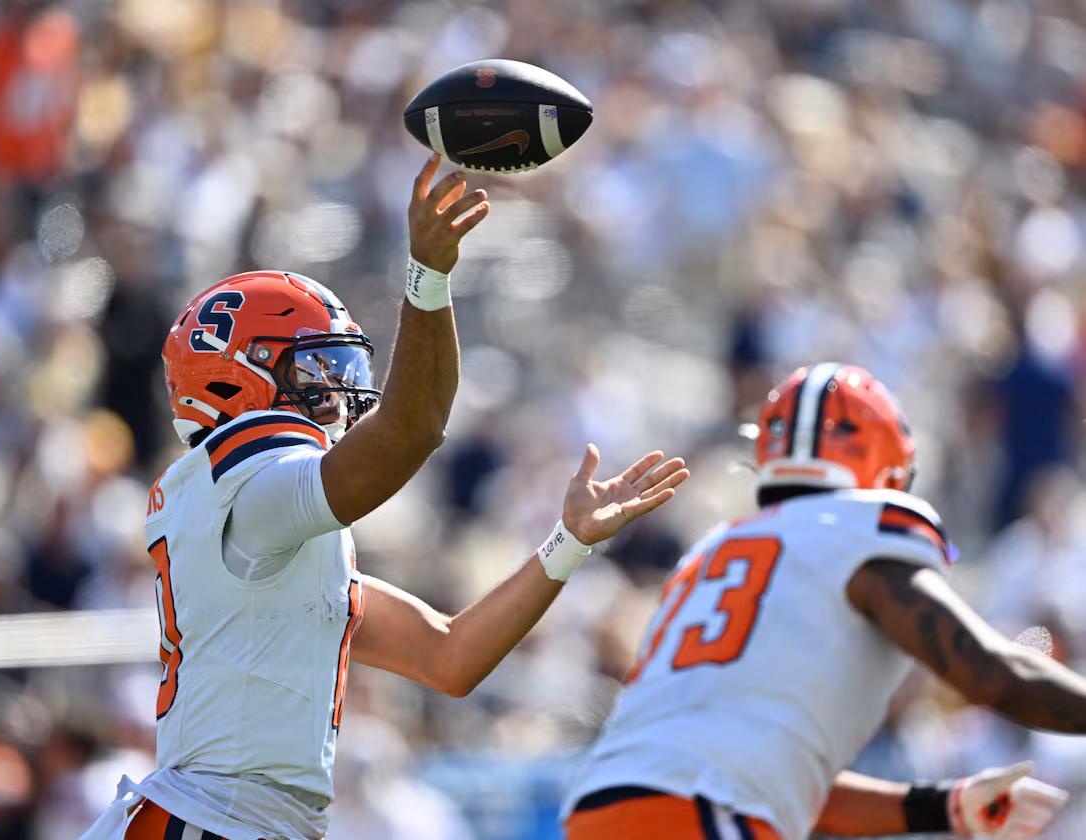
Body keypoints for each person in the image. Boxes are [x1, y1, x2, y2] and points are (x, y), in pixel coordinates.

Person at [81, 153, 691, 840]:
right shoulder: (240, 483)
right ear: (237, 378)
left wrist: (569, 541)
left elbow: (448, 657)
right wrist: (428, 277)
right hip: (209, 821)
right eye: (312, 368)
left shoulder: (265, 536)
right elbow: (412, 431)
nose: (335, 391)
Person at [561, 362, 1079, 840]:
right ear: (888, 464)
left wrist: (947, 806)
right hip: (703, 814)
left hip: (601, 810)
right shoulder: (859, 533)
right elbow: (990, 672)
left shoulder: (711, 552)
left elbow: (776, 778)